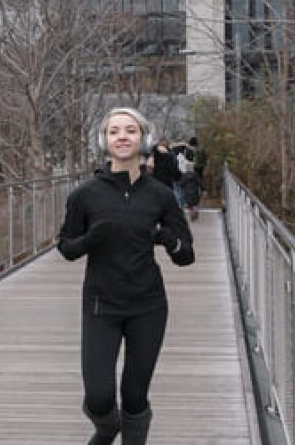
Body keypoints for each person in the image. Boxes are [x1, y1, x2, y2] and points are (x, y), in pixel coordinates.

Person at [56, 108, 195, 445]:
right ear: (104, 140)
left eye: (130, 130)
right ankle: (106, 429)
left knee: (134, 397)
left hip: (148, 306)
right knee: (99, 397)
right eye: (114, 131)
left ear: (142, 138)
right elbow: (66, 247)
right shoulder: (86, 194)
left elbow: (186, 255)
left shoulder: (159, 195)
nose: (122, 136)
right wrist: (90, 240)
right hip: (102, 305)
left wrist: (168, 239)